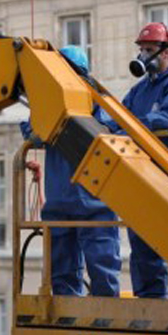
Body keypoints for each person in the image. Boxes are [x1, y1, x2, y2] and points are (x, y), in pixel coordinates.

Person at [97, 22, 168, 299]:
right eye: (142, 50)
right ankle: (151, 302)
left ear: (167, 52)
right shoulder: (140, 90)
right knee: (143, 243)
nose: (144, 55)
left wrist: (130, 126)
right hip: (146, 179)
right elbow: (119, 115)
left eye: (150, 50)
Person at [20, 46, 121, 297]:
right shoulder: (49, 105)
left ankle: (106, 320)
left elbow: (106, 131)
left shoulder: (99, 103)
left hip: (93, 201)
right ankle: (70, 318)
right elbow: (33, 132)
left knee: (102, 270)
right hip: (62, 202)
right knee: (62, 273)